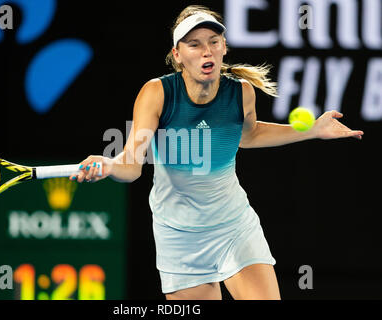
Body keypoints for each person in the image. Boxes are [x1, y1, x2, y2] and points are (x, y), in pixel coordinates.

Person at [70, 5, 363, 300]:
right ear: (177, 55)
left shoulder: (241, 92)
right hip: (179, 236)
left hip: (234, 226)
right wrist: (108, 165)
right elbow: (131, 166)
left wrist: (311, 130)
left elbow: (249, 135)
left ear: (224, 47)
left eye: (213, 41)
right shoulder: (156, 93)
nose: (206, 51)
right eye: (194, 44)